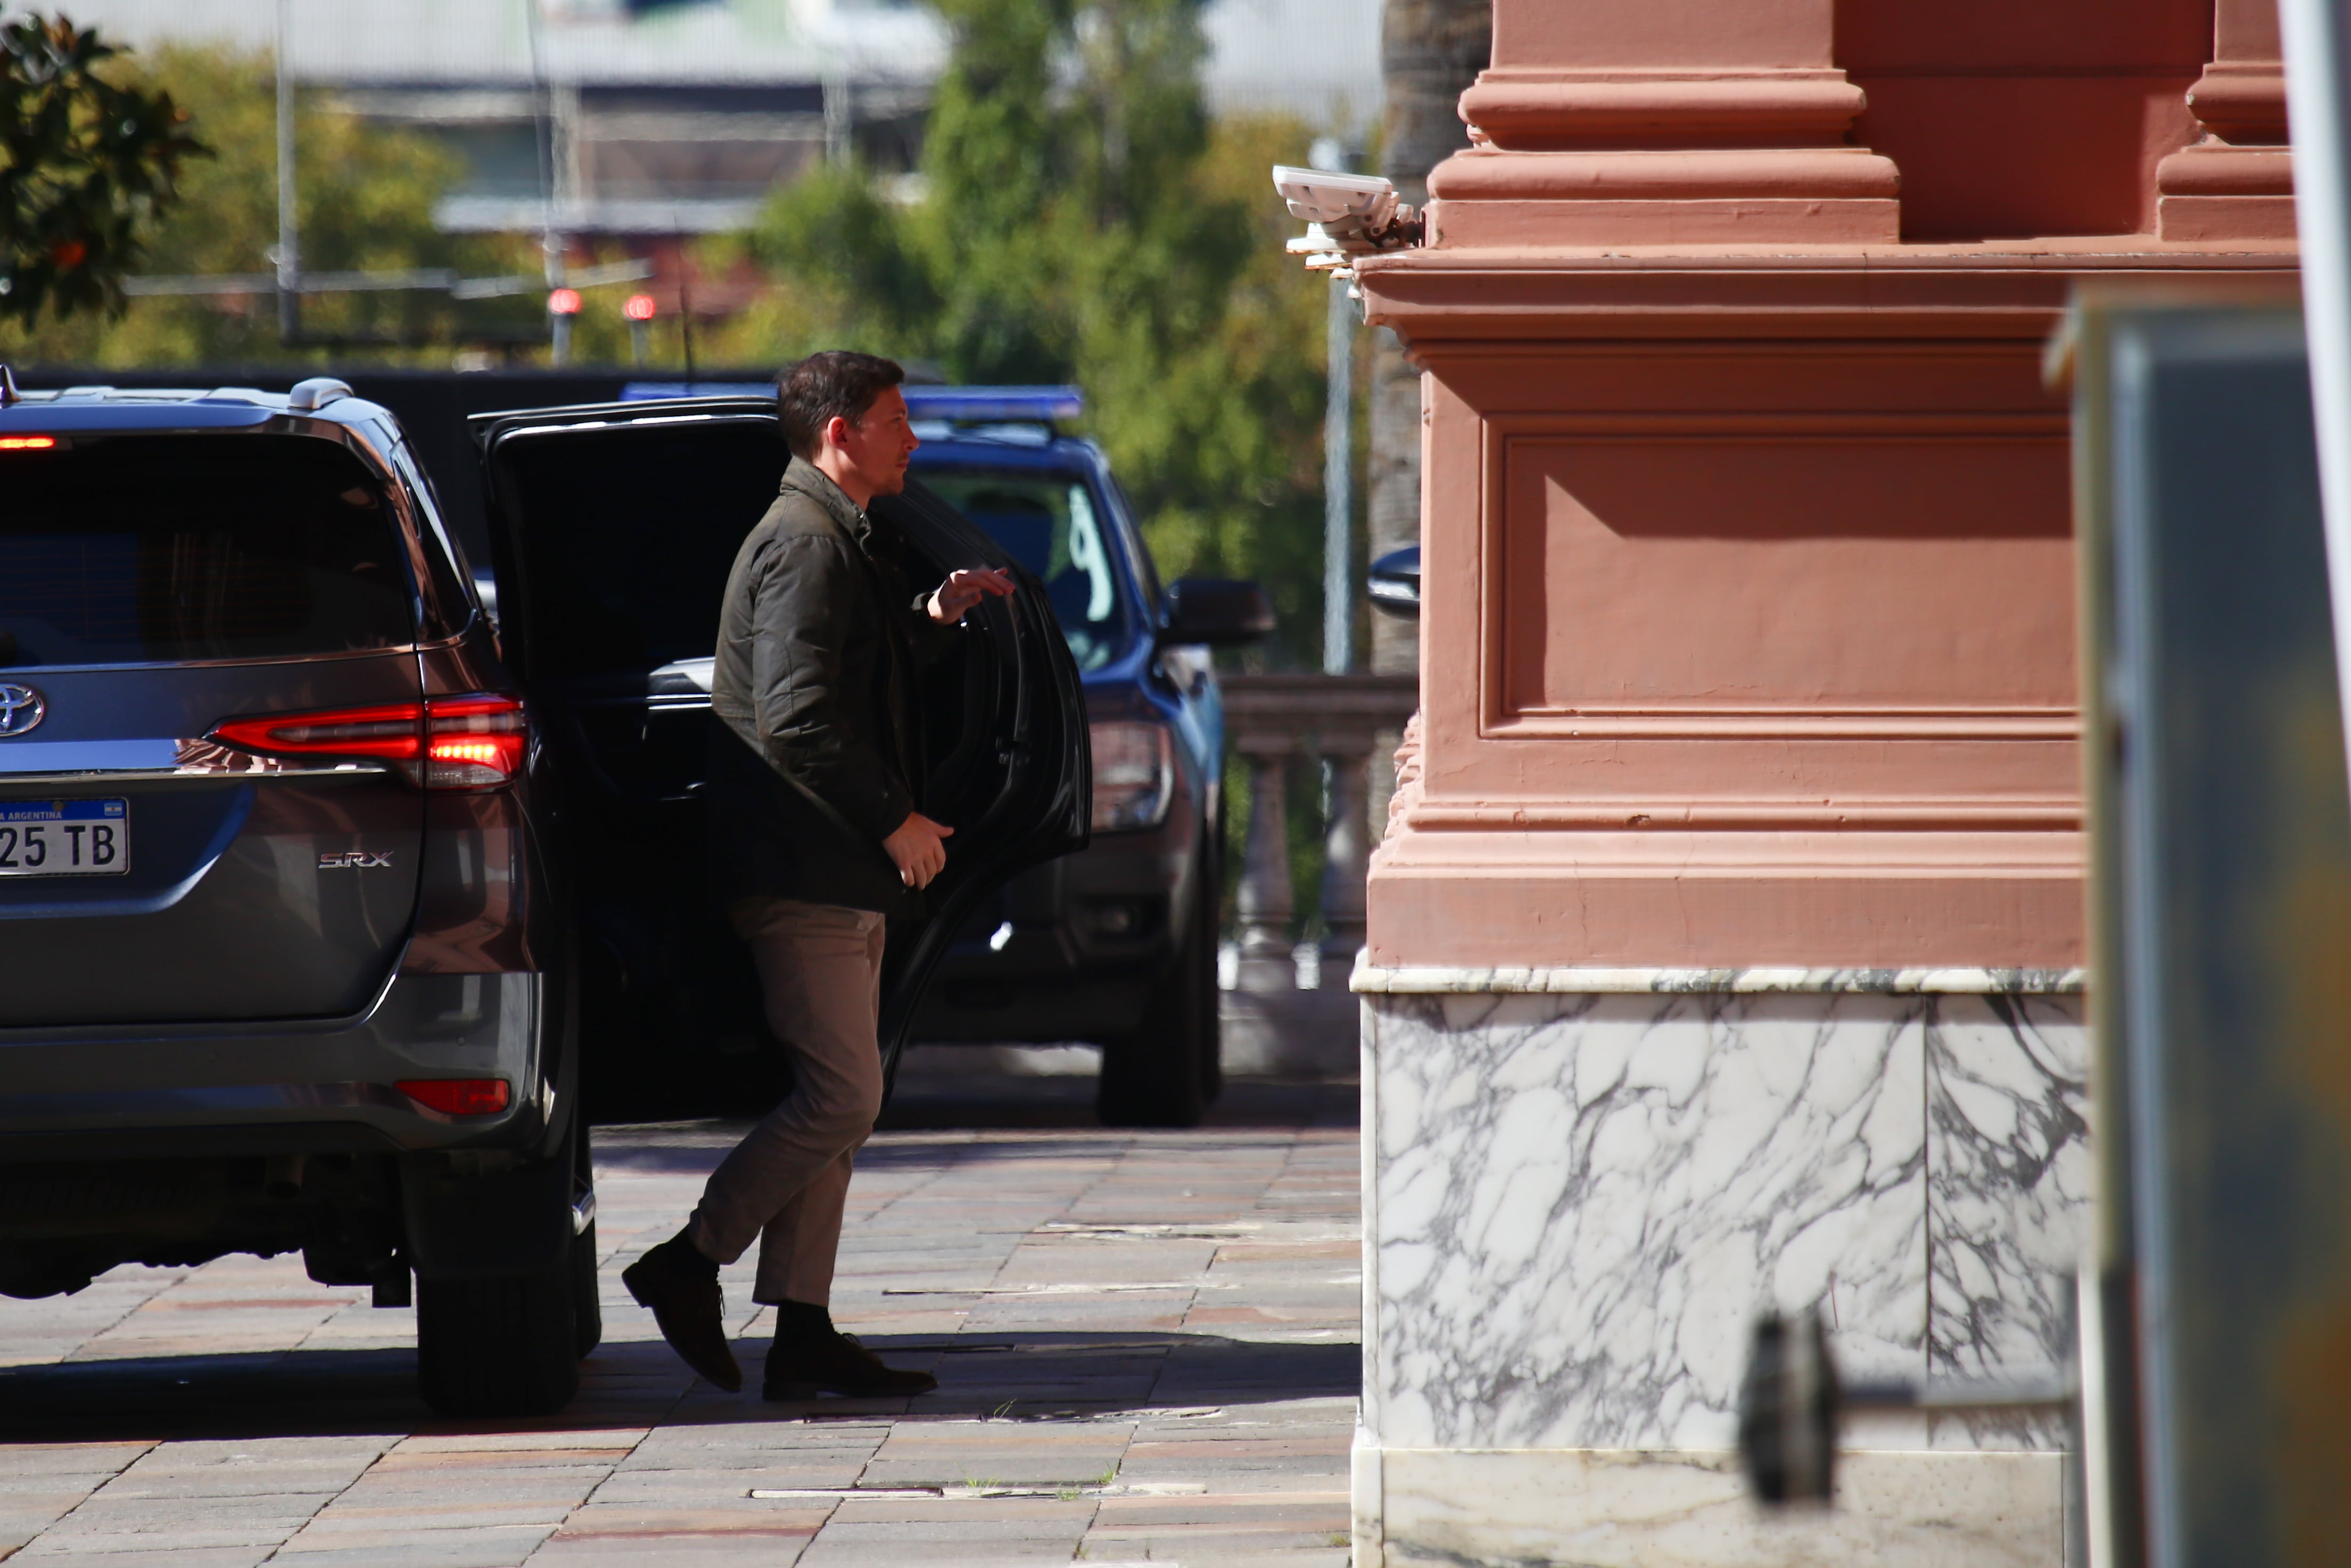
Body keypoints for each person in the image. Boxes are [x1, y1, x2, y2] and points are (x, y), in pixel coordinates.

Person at [622, 351, 1015, 1398]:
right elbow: (797, 718)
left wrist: (933, 618)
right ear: (840, 434)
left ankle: (802, 1332)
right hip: (808, 867)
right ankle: (688, 1260)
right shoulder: (804, 542)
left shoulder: (834, 535)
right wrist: (895, 821)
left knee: (835, 1101)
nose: (913, 439)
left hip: (832, 869)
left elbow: (848, 678)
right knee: (844, 1096)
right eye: (895, 420)